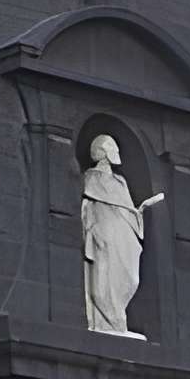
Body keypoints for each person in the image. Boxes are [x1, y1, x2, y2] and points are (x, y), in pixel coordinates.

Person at [81, 134, 163, 337]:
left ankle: (117, 320)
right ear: (103, 152)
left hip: (124, 236)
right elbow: (88, 208)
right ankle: (110, 322)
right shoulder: (91, 178)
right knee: (105, 278)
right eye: (112, 147)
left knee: (130, 279)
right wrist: (94, 231)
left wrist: (139, 212)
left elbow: (126, 209)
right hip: (105, 235)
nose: (117, 151)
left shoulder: (121, 181)